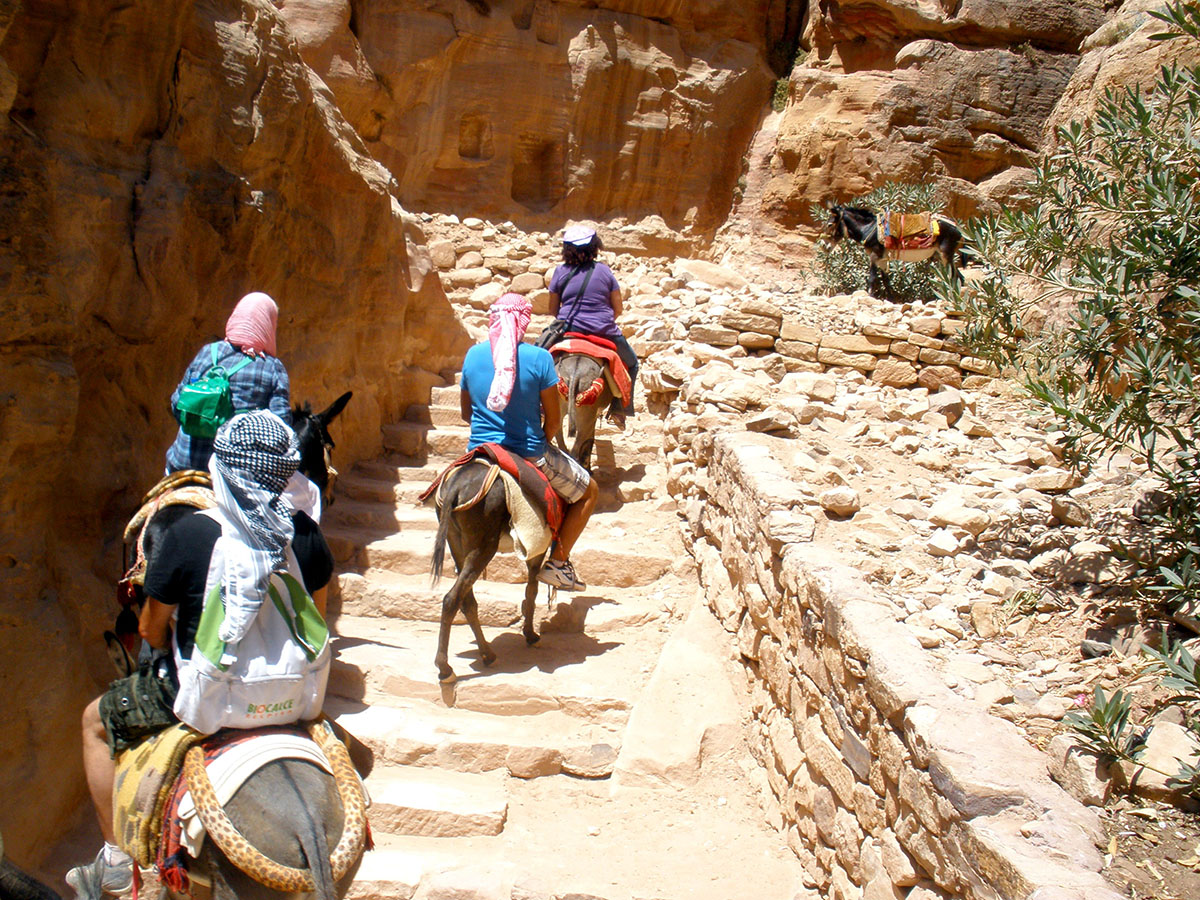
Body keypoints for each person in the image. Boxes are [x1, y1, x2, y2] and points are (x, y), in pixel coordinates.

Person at [70, 411, 333, 896]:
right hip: (295, 697)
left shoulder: (190, 534)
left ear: (223, 467)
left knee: (93, 721)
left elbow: (150, 631)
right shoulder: (306, 533)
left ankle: (115, 859)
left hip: (209, 697)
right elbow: (318, 617)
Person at [460, 292, 599, 591]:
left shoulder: (472, 355)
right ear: (522, 322)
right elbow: (553, 421)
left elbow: (465, 414)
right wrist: (541, 443)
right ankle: (558, 564)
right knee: (590, 492)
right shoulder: (540, 358)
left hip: (481, 450)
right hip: (528, 452)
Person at [165, 291, 291, 474]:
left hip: (182, 463)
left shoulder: (207, 352)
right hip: (234, 474)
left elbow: (177, 403)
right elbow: (282, 427)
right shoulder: (272, 368)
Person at [546, 225, 638, 429]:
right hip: (604, 331)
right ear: (594, 247)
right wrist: (600, 322)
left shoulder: (560, 271)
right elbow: (618, 308)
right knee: (632, 364)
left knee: (535, 360)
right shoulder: (604, 271)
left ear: (566, 249)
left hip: (568, 329)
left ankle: (537, 407)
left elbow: (553, 309)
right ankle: (620, 410)